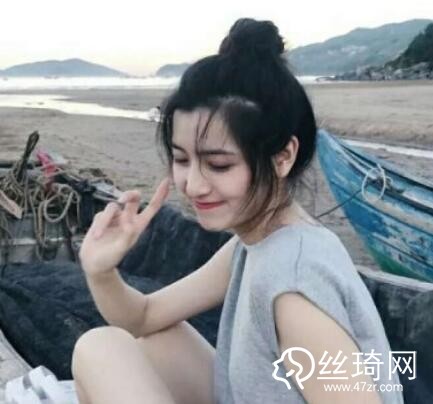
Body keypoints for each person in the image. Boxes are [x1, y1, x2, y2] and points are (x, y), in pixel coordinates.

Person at [71, 19, 404, 404]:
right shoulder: (255, 243)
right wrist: (101, 271)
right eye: (182, 159)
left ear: (282, 157)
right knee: (124, 343)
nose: (193, 185)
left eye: (219, 165)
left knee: (99, 352)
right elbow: (144, 316)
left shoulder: (293, 285)